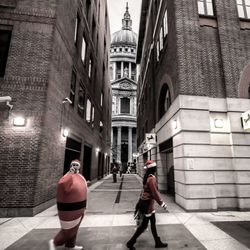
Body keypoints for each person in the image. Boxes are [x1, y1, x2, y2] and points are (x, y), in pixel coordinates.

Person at [126, 160, 168, 249]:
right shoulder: (151, 178)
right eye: (155, 167)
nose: (156, 168)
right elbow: (155, 193)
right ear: (153, 168)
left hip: (146, 203)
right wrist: (162, 203)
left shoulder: (147, 177)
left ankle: (157, 241)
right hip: (148, 205)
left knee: (152, 223)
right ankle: (131, 242)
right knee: (144, 226)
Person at [49, 159, 88, 250]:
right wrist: (70, 174)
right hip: (69, 210)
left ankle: (70, 245)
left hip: (80, 208)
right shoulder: (67, 176)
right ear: (70, 166)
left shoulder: (80, 176)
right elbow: (62, 184)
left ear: (79, 167)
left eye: (76, 165)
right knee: (69, 230)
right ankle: (55, 242)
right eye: (73, 164)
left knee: (75, 229)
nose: (75, 166)